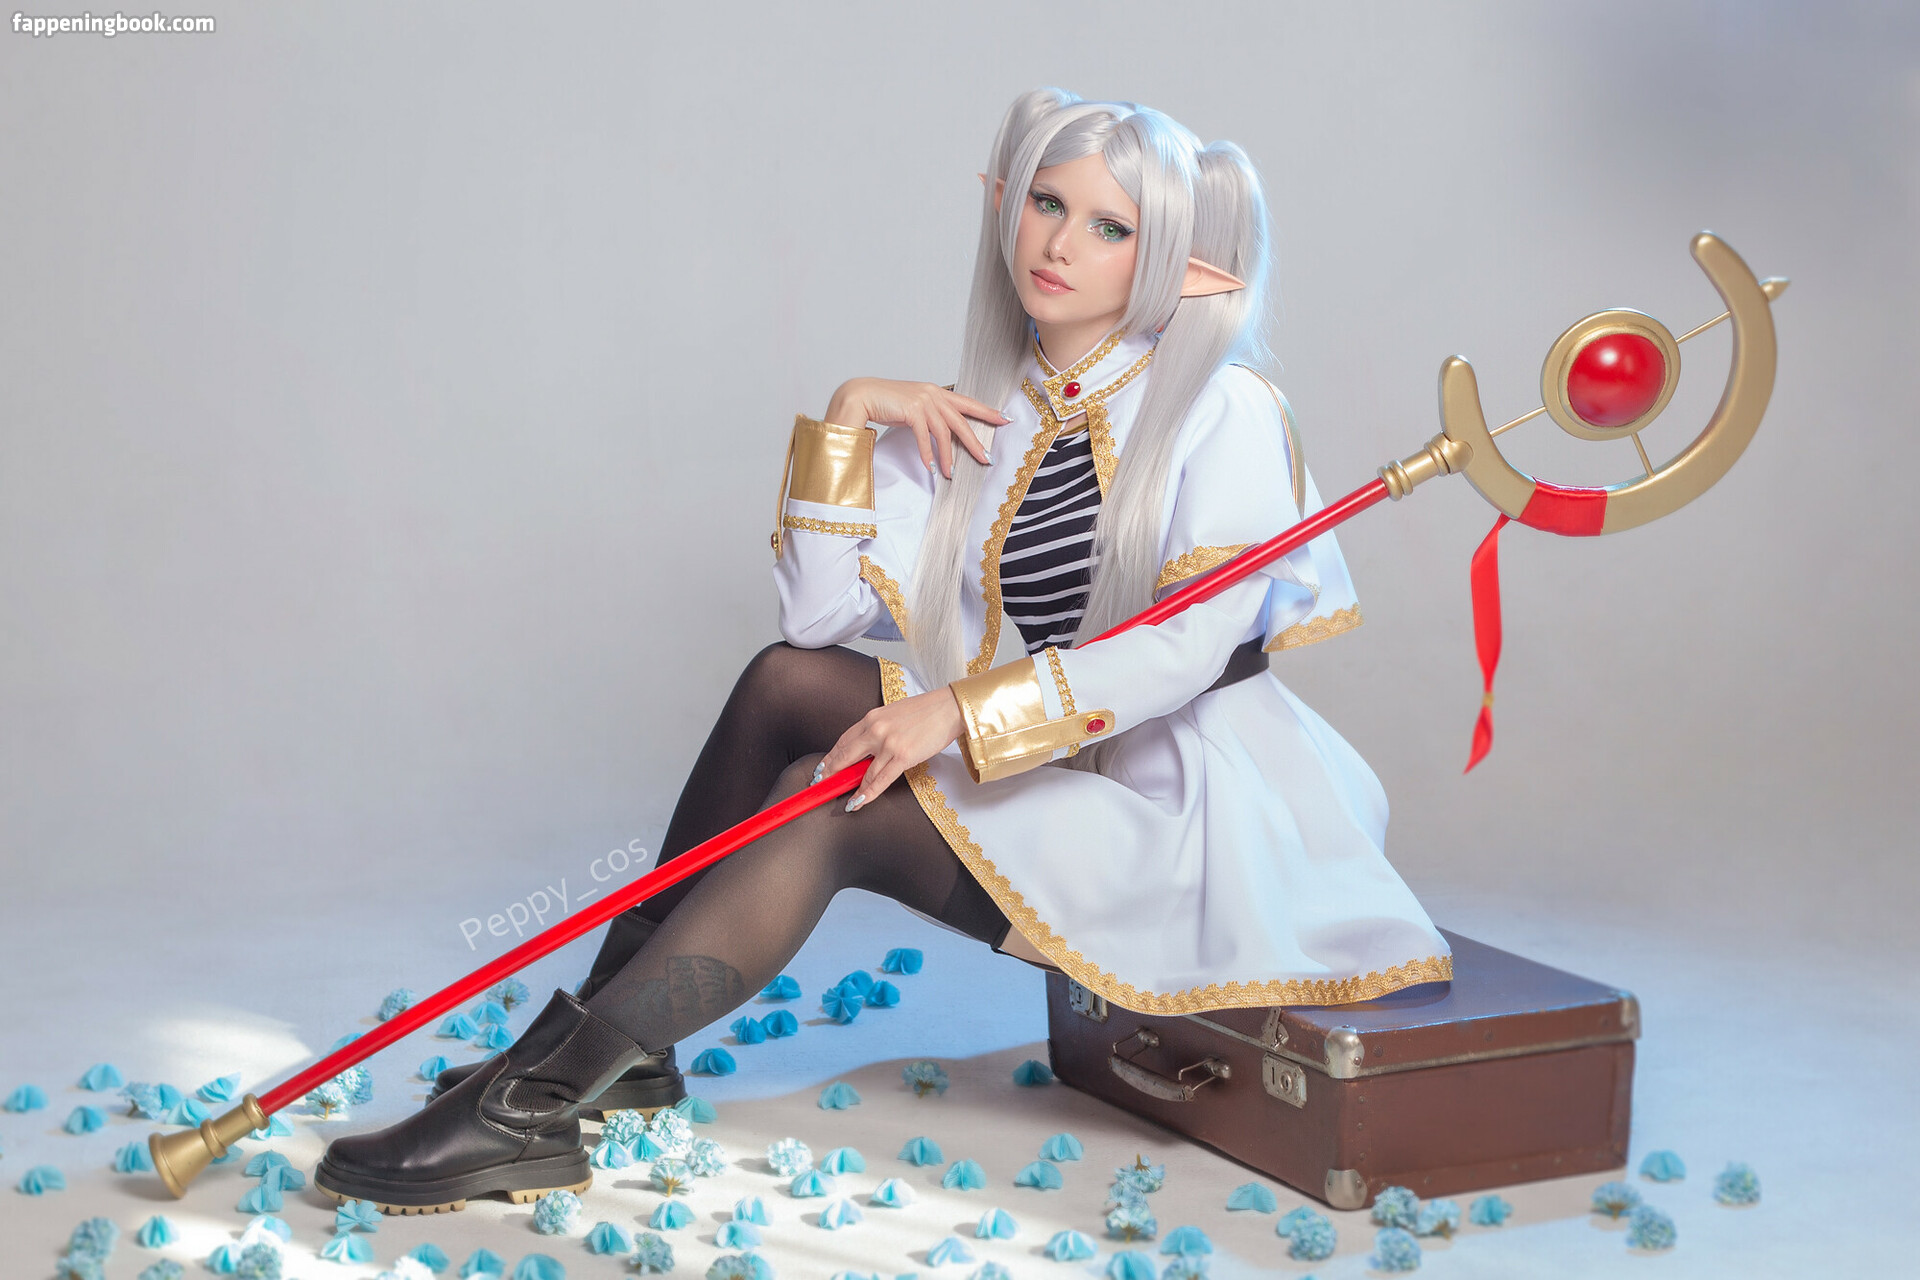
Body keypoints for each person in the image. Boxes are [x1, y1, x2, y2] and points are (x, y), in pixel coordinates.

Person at [314, 87, 1451, 1214]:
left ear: (1173, 264)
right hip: (1056, 762)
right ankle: (625, 1051)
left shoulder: (1224, 406)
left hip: (1184, 818)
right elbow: (815, 625)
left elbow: (1182, 652)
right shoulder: (992, 409)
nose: (1059, 244)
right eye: (1047, 203)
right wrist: (851, 417)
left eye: (1110, 226)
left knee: (827, 804)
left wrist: (954, 712)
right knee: (784, 686)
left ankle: (534, 1103)